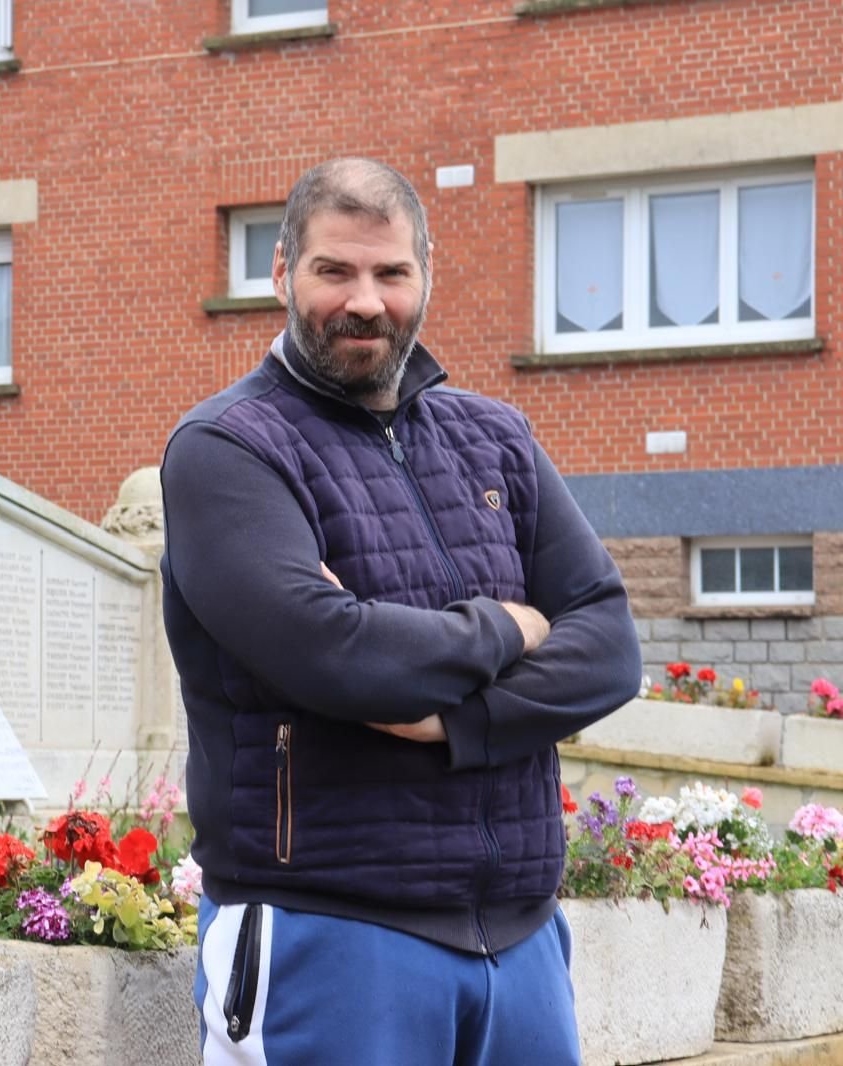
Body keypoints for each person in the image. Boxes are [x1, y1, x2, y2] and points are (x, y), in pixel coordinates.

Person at [160, 158, 641, 1064]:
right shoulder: (227, 451)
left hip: (523, 944)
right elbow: (333, 653)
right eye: (333, 271)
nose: (366, 302)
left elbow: (611, 645)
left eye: (391, 272)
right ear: (280, 274)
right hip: (329, 940)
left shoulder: (495, 438)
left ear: (428, 272)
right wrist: (512, 625)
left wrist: (454, 721)